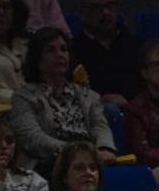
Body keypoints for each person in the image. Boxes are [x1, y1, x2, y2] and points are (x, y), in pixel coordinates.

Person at [11, 27, 117, 171]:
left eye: (63, 49)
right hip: (51, 164)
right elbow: (33, 139)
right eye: (51, 50)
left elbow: (100, 127)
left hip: (90, 159)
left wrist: (104, 148)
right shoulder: (23, 97)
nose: (60, 54)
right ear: (37, 58)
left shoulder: (88, 95)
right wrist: (76, 152)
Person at [72, 0, 144, 105]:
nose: (106, 12)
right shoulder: (71, 50)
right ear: (83, 14)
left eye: (110, 6)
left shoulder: (136, 47)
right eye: (97, 7)